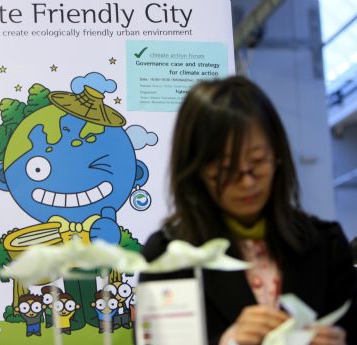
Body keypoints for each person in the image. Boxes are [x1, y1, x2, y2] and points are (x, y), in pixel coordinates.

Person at [139, 76, 357, 345]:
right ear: (195, 170)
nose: (247, 182)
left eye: (257, 161)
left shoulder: (327, 245)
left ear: (277, 156)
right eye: (227, 169)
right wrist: (228, 341)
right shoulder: (168, 256)